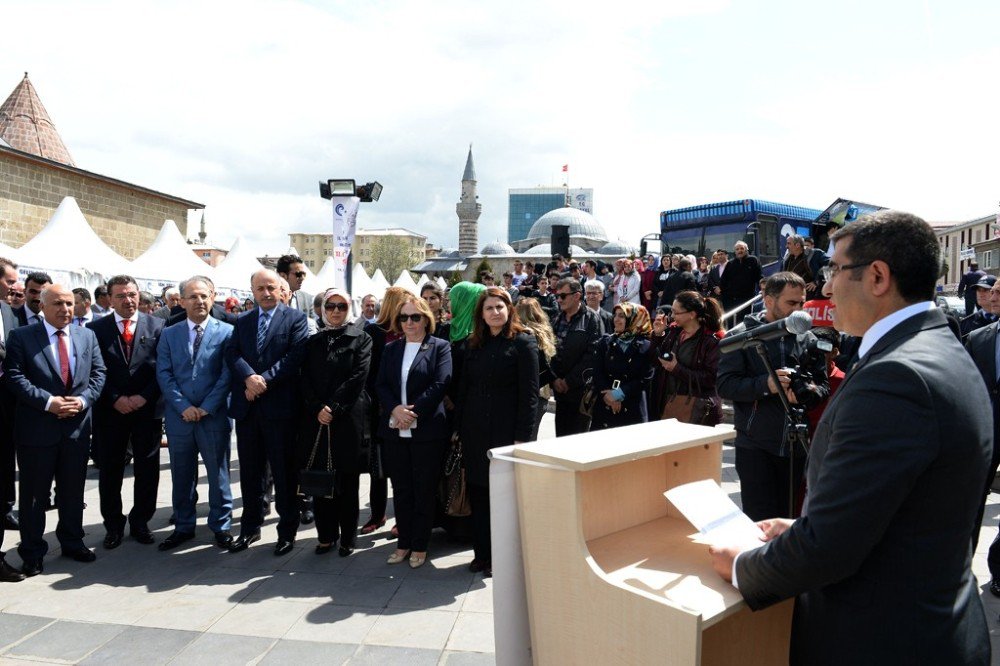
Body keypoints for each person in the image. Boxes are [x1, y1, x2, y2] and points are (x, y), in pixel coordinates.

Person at [710, 211, 992, 665]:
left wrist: (740, 565)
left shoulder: (896, 376)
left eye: (834, 271)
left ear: (877, 276)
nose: (824, 288)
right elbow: (899, 509)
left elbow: (829, 551)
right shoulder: (937, 344)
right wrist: (803, 528)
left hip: (886, 643)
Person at [5, 284, 106, 576]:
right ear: (44, 306)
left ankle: (73, 542)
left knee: (72, 492)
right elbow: (14, 376)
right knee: (35, 496)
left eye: (70, 304)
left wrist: (84, 399)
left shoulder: (87, 335)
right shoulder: (22, 336)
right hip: (37, 430)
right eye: (59, 304)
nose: (65, 309)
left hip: (76, 428)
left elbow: (99, 374)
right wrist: (48, 402)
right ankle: (33, 552)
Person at [716, 272, 828, 521]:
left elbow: (823, 386)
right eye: (792, 303)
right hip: (755, 445)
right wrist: (766, 384)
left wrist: (806, 392)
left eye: (802, 303)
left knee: (791, 519)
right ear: (768, 300)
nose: (799, 310)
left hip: (796, 445)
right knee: (761, 522)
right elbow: (725, 385)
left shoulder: (808, 337)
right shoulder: (740, 336)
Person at [225, 269, 309, 555]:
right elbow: (232, 353)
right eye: (260, 288)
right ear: (252, 290)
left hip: (280, 410)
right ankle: (249, 528)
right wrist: (249, 377)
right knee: (250, 473)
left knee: (284, 474)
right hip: (248, 409)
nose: (266, 293)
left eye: (271, 287)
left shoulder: (295, 319)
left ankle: (287, 531)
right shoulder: (243, 320)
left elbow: (294, 357)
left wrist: (262, 382)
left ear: (281, 289)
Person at [456, 287, 538, 577]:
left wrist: (522, 437)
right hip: (475, 431)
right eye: (489, 308)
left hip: (507, 434)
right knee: (479, 493)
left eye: (500, 307)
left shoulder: (523, 343)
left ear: (509, 310)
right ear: (481, 313)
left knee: (504, 497)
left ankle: (503, 557)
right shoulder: (472, 345)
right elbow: (463, 390)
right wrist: (459, 428)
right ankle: (481, 554)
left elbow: (530, 396)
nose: (495, 312)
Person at [155, 276, 235, 551]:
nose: (199, 301)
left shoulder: (226, 332)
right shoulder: (169, 333)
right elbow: (164, 374)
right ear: (182, 301)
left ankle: (221, 526)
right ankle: (184, 525)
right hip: (180, 419)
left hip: (213, 416)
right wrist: (183, 407)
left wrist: (206, 407)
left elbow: (227, 374)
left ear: (212, 298)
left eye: (204, 296)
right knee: (181, 474)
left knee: (218, 474)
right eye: (193, 297)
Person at [87, 275, 165, 549]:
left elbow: (162, 369)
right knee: (110, 470)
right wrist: (115, 397)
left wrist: (144, 397)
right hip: (111, 411)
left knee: (147, 469)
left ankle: (141, 521)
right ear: (110, 299)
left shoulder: (158, 326)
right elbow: (93, 370)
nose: (128, 300)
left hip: (147, 411)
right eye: (120, 296)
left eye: (131, 294)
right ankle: (113, 525)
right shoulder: (94, 329)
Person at [375, 295, 452, 569]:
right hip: (395, 431)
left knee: (424, 490)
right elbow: (381, 384)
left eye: (415, 317)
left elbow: (441, 383)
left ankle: (420, 544)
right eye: (404, 317)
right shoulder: (391, 349)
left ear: (425, 319)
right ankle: (403, 542)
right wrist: (395, 409)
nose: (409, 322)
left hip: (427, 431)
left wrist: (413, 411)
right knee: (402, 490)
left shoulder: (439, 347)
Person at [300, 289, 371, 557]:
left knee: (347, 481)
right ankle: (326, 535)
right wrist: (318, 407)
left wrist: (334, 407)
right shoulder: (313, 342)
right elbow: (304, 379)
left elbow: (358, 376)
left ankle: (348, 537)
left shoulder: (360, 338)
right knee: (321, 479)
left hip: (347, 418)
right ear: (322, 309)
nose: (336, 311)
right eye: (330, 306)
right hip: (317, 419)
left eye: (342, 306)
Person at [360, 287, 411, 535]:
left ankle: (403, 518)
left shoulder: (412, 329)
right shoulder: (373, 332)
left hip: (408, 410)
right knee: (377, 468)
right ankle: (377, 515)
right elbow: (368, 375)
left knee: (404, 470)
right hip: (380, 410)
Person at [965, 278, 1000, 596]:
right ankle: (962, 573)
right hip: (985, 433)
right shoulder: (977, 338)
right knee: (973, 503)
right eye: (991, 291)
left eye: (999, 292)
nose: (991, 297)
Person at [650, 290, 724, 427]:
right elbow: (654, 361)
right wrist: (658, 336)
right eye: (672, 311)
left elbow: (711, 379)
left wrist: (676, 368)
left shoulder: (711, 340)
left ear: (692, 314)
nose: (672, 316)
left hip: (697, 412)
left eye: (676, 313)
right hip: (667, 406)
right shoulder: (673, 332)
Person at [549, 278, 602, 436]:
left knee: (577, 441)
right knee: (561, 437)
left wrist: (569, 381)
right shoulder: (557, 319)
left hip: (580, 392)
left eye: (563, 296)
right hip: (559, 391)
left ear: (577, 296)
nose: (559, 300)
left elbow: (593, 355)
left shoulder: (592, 320)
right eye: (557, 296)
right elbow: (548, 351)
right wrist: (554, 379)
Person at [590, 302, 653, 430]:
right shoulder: (606, 342)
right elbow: (597, 372)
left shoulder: (646, 346)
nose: (616, 320)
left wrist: (618, 394)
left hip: (632, 408)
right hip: (604, 406)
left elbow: (645, 377)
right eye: (615, 315)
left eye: (622, 316)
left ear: (635, 319)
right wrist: (608, 395)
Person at [515, 297, 557, 441]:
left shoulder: (526, 336)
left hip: (530, 393)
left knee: (524, 439)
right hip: (542, 392)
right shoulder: (545, 332)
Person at [719, 241, 761, 315]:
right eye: (737, 249)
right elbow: (723, 281)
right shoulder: (730, 263)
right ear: (735, 252)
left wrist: (763, 288)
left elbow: (759, 277)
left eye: (742, 248)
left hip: (746, 300)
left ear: (746, 250)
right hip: (731, 301)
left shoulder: (753, 260)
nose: (739, 251)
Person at [276, 254, 314, 320]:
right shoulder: (267, 298)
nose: (302, 278)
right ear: (283, 276)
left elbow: (312, 327)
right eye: (298, 274)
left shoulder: (307, 299)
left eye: (303, 274)